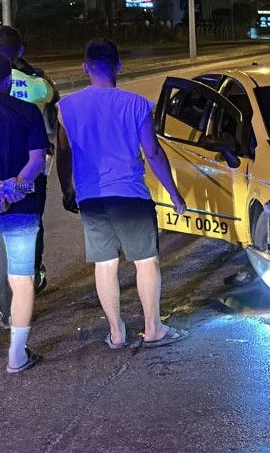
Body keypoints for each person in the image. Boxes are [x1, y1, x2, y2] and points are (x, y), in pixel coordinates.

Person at [57, 39, 189, 349]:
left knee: (104, 264)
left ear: (85, 67)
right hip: (130, 194)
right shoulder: (136, 104)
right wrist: (174, 194)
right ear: (119, 66)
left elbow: (63, 153)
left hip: (91, 198)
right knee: (146, 261)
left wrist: (67, 189)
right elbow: (153, 153)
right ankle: (153, 328)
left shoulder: (66, 107)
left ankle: (116, 333)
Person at [0, 25, 57, 329]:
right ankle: (28, 281)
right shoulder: (36, 86)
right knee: (28, 229)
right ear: (20, 52)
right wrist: (13, 187)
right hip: (27, 178)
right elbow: (51, 97)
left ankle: (4, 298)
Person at [0, 53, 47, 372]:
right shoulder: (28, 111)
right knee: (22, 279)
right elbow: (37, 161)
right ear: (8, 80)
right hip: (22, 207)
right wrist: (11, 190)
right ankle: (17, 356)